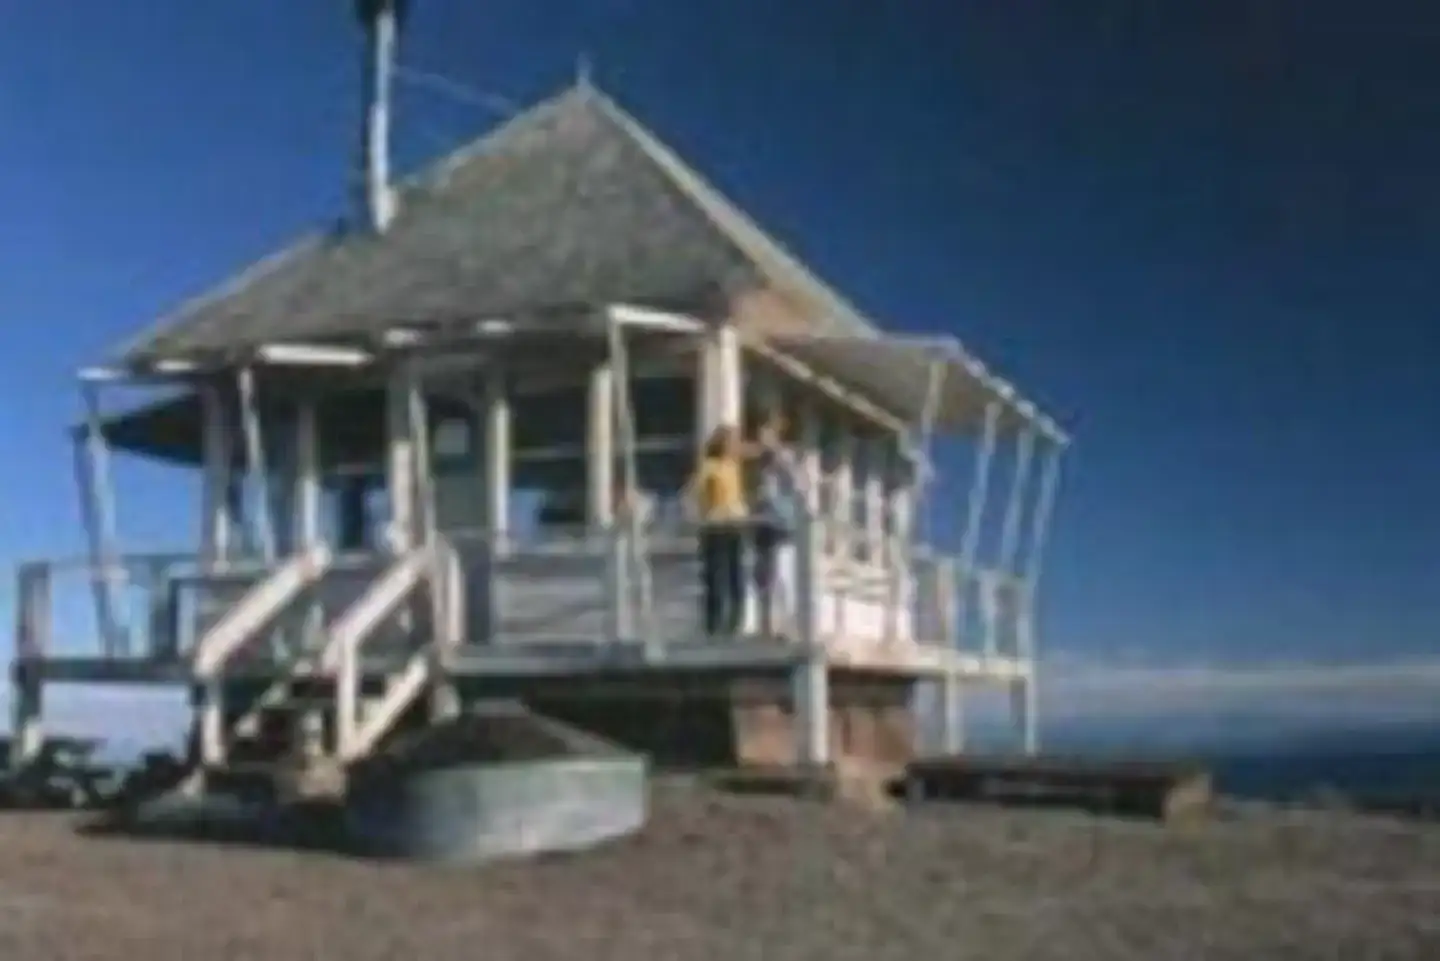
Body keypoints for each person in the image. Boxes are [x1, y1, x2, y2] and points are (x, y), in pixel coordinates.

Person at [686, 425, 748, 636]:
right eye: (731, 443)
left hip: (734, 525)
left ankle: (735, 622)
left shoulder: (732, 467)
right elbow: (697, 493)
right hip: (715, 526)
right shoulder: (709, 468)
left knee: (735, 574)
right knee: (715, 575)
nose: (734, 447)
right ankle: (713, 623)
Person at [748, 412, 801, 636]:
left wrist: (774, 449)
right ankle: (764, 624)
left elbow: (794, 480)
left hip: (782, 524)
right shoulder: (761, 465)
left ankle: (786, 625)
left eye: (767, 432)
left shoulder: (786, 458)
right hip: (762, 524)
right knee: (761, 575)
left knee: (782, 576)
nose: (762, 437)